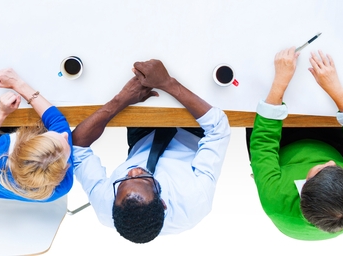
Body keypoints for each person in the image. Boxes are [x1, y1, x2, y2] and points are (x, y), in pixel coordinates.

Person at [72, 60, 230, 243]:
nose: (133, 171)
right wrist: (167, 83)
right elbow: (218, 128)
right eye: (144, 179)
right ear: (162, 203)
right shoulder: (194, 201)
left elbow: (77, 146)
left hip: (143, 137)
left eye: (123, 181)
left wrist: (122, 99)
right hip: (193, 129)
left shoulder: (104, 204)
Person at [248, 48, 343, 240]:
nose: (331, 163)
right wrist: (335, 89)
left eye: (321, 169)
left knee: (254, 97)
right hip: (331, 145)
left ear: (303, 186)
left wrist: (280, 82)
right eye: (339, 170)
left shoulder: (275, 200)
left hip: (279, 152)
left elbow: (263, 145)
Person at [0, 68, 73, 202]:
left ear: (26, 142)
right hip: (4, 185)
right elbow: (57, 121)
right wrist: (18, 84)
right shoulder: (63, 185)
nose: (65, 135)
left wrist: (1, 112)